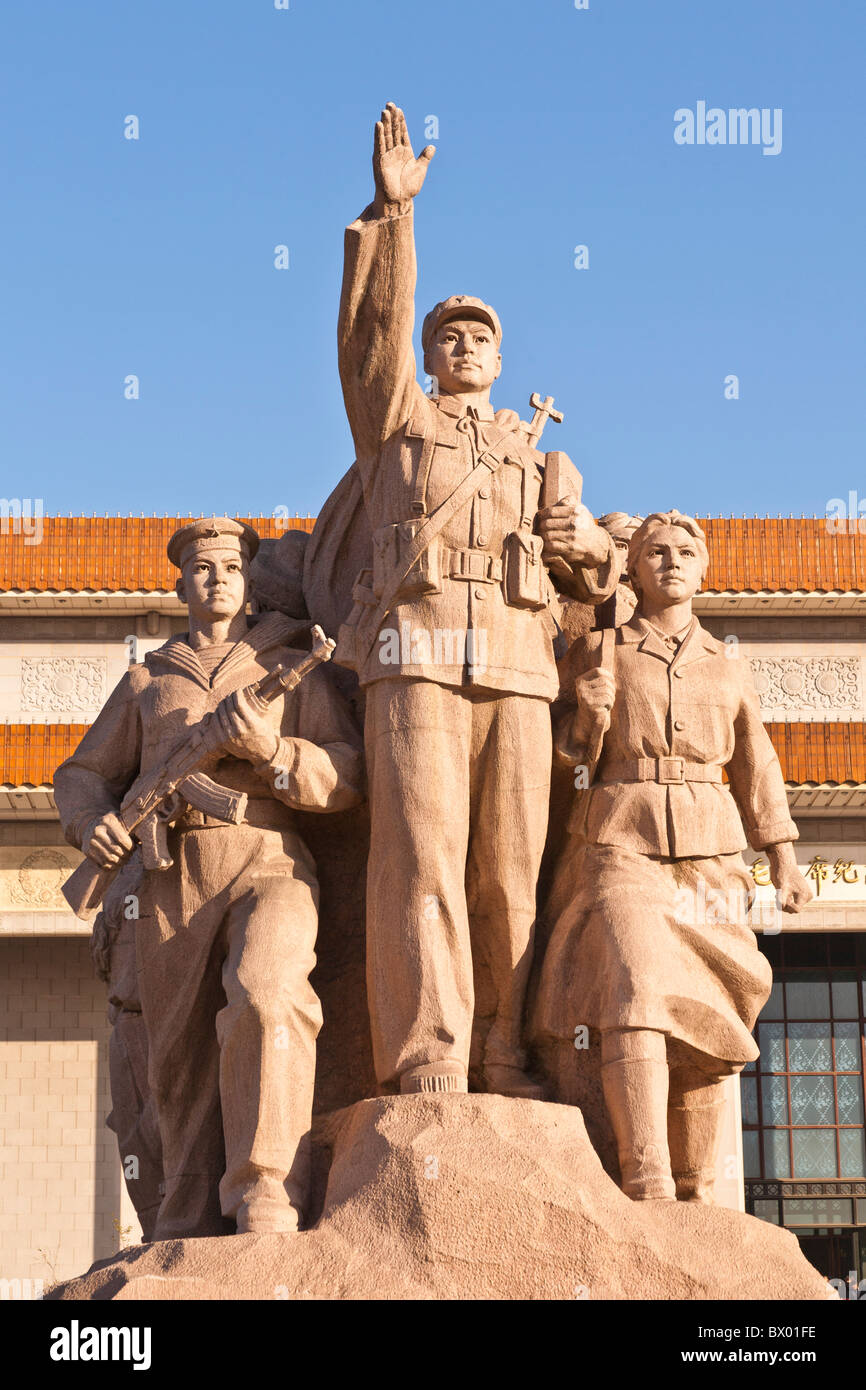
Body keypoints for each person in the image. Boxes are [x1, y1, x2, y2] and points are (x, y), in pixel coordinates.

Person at [334, 103, 618, 1098]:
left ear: (500, 361)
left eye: (477, 338)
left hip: (514, 663)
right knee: (418, 865)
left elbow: (592, 572)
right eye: (446, 336)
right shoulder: (397, 425)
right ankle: (427, 1057)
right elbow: (369, 339)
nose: (462, 346)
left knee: (506, 875)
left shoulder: (531, 451)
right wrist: (394, 214)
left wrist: (589, 551)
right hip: (412, 652)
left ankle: (504, 1047)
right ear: (427, 359)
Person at [54, 517, 364, 1237]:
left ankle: (265, 1186)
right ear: (180, 583)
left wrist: (274, 749)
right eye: (200, 567)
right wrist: (91, 821)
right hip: (171, 871)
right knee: (178, 1048)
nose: (217, 577)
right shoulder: (148, 680)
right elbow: (81, 774)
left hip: (269, 856)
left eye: (230, 565)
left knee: (268, 991)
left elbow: (346, 772)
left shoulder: (290, 663)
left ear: (249, 578)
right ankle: (187, 1209)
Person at [534, 510, 812, 1202]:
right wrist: (586, 721)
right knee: (636, 984)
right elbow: (548, 768)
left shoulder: (728, 663)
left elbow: (757, 762)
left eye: (686, 550)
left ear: (704, 564)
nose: (671, 561)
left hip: (712, 852)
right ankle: (644, 1171)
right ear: (631, 568)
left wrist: (783, 856)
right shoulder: (599, 651)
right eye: (655, 551)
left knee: (714, 1012)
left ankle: (693, 1185)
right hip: (621, 841)